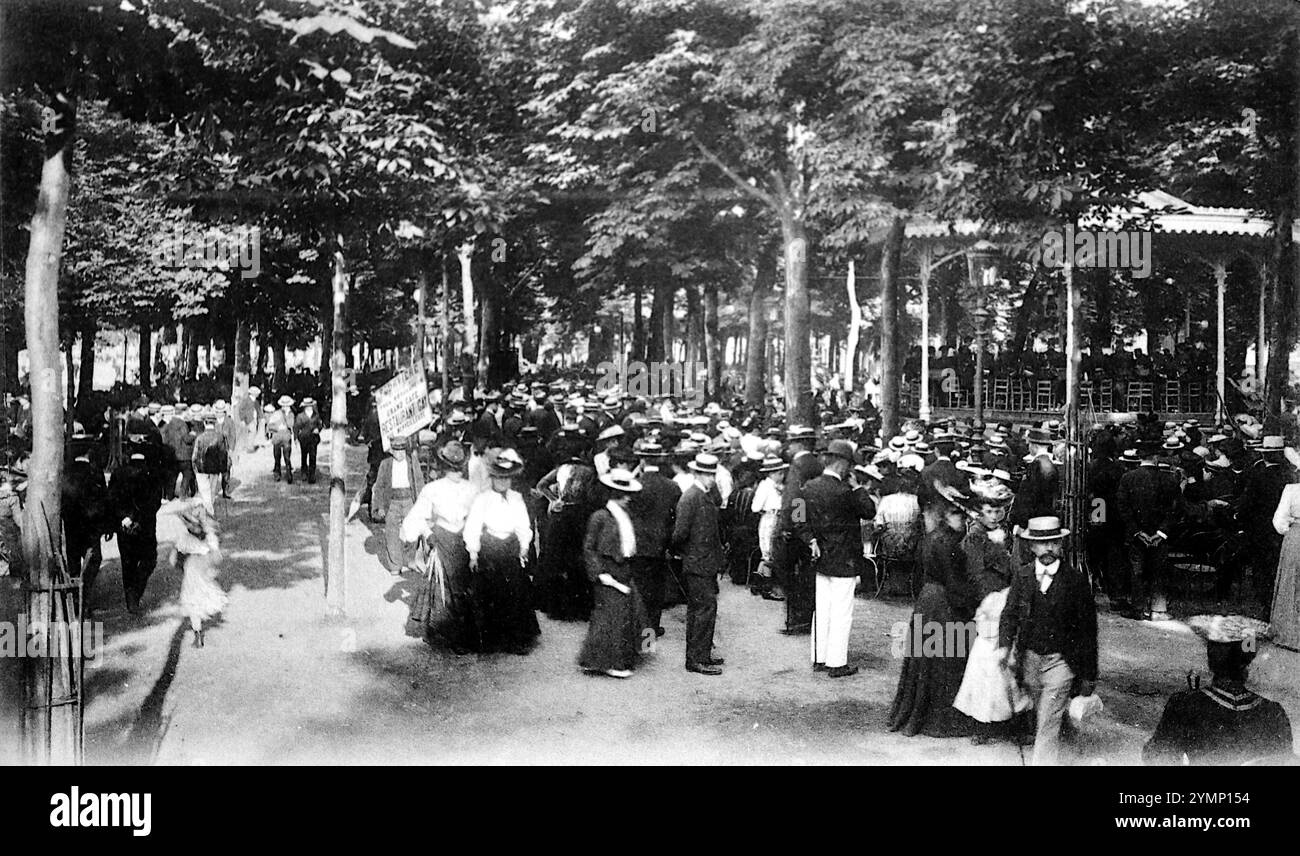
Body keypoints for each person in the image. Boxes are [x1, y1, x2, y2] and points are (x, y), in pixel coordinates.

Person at [998, 516, 1098, 766]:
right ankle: (1067, 745)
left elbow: (1088, 630)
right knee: (1038, 711)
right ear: (1031, 547)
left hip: (1061, 661)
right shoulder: (1023, 576)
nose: (1048, 549)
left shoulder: (1075, 581)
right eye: (1042, 544)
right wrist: (1004, 648)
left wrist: (1088, 675)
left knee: (1047, 721)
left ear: (1061, 545)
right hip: (1030, 658)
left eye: (1054, 542)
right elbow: (1009, 614)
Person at [888, 483, 980, 738]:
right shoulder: (948, 542)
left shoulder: (932, 537)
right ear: (947, 514)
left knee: (925, 662)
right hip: (943, 604)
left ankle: (919, 712)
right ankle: (940, 719)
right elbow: (954, 582)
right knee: (945, 662)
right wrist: (973, 606)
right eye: (959, 514)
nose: (963, 520)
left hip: (927, 602)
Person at [1143, 614, 1293, 765]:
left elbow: (1158, 759)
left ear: (1211, 660)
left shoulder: (1184, 704)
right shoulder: (1273, 712)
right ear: (1248, 660)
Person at [953, 480, 1031, 742]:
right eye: (989, 511)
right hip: (989, 606)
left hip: (1010, 603)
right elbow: (976, 576)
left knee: (1012, 662)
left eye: (999, 511)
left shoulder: (1008, 535)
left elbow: (1019, 568)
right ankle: (983, 724)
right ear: (979, 512)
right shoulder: (974, 538)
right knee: (987, 664)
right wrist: (995, 600)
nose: (995, 516)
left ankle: (1013, 721)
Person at [796, 439, 875, 678]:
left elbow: (797, 517)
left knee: (822, 609)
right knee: (842, 612)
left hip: (820, 556)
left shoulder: (808, 487)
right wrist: (858, 488)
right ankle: (837, 663)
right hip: (845, 559)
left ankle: (819, 658)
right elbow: (869, 511)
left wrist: (810, 540)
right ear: (842, 464)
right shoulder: (846, 492)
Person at [401, 441, 479, 653]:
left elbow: (477, 519)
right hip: (443, 540)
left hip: (462, 540)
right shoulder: (433, 489)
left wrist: (474, 546)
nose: (454, 472)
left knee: (461, 585)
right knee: (443, 583)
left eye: (457, 468)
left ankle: (461, 634)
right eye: (452, 469)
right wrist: (429, 534)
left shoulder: (470, 490)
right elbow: (417, 517)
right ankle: (443, 631)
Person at [463, 449, 539, 654]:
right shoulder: (483, 498)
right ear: (493, 478)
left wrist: (524, 546)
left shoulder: (516, 498)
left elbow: (523, 523)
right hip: (491, 547)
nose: (503, 483)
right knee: (490, 592)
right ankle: (491, 639)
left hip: (510, 547)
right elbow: (473, 526)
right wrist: (473, 553)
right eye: (499, 478)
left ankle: (516, 639)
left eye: (507, 479)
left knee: (515, 592)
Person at [579, 467, 650, 678]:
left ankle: (604, 658)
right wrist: (600, 573)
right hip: (608, 571)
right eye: (623, 494)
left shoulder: (624, 516)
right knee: (611, 616)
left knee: (629, 613)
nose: (628, 498)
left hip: (624, 568)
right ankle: (610, 662)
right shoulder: (600, 517)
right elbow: (589, 548)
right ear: (614, 494)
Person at [1116, 440, 1183, 620]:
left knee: (1136, 571)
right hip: (1160, 536)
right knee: (1158, 570)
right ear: (1155, 458)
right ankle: (1158, 609)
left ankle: (1138, 608)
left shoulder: (1128, 478)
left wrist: (1137, 531)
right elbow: (1177, 509)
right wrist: (1161, 532)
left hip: (1137, 535)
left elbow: (1122, 507)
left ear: (1140, 458)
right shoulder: (1169, 479)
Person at [672, 453, 726, 675]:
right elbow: (679, 534)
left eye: (712, 474)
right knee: (703, 609)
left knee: (702, 609)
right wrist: (688, 554)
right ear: (696, 473)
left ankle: (700, 654)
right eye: (706, 474)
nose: (711, 479)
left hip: (703, 562)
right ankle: (696, 658)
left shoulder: (703, 495)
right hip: (697, 563)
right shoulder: (691, 497)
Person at [628, 443, 680, 638]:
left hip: (638, 547)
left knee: (640, 590)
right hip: (660, 547)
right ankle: (651, 630)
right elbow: (677, 518)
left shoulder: (635, 485)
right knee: (656, 592)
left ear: (642, 460)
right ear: (660, 460)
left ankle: (641, 635)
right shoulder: (672, 486)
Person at [161, 500, 226, 648]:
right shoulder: (208, 537)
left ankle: (197, 633)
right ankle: (198, 631)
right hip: (202, 567)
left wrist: (181, 565)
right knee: (201, 596)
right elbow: (217, 556)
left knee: (192, 599)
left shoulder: (186, 538)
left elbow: (173, 558)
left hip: (192, 568)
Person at [109, 448, 161, 615]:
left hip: (123, 526)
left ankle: (131, 599)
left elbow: (112, 498)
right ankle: (136, 593)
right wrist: (139, 518)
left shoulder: (118, 473)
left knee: (127, 562)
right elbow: (155, 501)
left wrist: (123, 518)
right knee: (149, 559)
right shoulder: (151, 473)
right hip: (146, 525)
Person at [372, 434, 425, 576]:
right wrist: (380, 506)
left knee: (412, 531)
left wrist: (421, 503)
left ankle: (409, 559)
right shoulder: (386, 464)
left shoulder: (412, 462)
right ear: (392, 451)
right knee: (392, 533)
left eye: (402, 450)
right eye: (396, 451)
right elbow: (379, 487)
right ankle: (395, 564)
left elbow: (419, 482)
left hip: (409, 499)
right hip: (392, 501)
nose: (400, 454)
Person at [750, 454, 787, 599]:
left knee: (769, 552)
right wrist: (768, 510)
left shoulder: (778, 486)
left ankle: (757, 583)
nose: (782, 476)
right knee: (769, 553)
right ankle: (767, 589)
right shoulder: (765, 486)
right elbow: (755, 507)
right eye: (779, 473)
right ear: (772, 473)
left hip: (777, 518)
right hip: (770, 518)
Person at [1270, 476, 1300, 651]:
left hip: (1296, 537)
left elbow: (1279, 522)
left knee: (1292, 582)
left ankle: (1290, 634)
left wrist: (1290, 531)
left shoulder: (1292, 490)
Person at [192, 412, 227, 516]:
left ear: (204, 422)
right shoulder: (220, 437)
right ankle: (209, 512)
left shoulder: (200, 437)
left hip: (201, 469)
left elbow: (195, 456)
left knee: (205, 492)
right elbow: (223, 454)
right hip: (215, 469)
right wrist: (224, 469)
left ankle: (209, 514)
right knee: (212, 491)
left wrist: (194, 467)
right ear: (215, 423)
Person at [267, 395, 295, 483]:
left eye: (287, 405)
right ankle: (277, 473)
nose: (285, 407)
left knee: (287, 456)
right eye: (284, 405)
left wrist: (286, 416)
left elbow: (291, 424)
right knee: (277, 456)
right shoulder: (276, 414)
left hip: (286, 437)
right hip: (277, 438)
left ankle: (289, 474)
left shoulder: (291, 414)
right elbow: (269, 426)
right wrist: (277, 427)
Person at [295, 397, 322, 484]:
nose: (309, 407)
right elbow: (296, 427)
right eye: (307, 406)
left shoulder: (316, 415)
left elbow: (320, 425)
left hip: (313, 438)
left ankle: (312, 475)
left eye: (310, 406)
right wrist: (296, 438)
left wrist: (318, 429)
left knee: (313, 456)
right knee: (304, 456)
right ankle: (304, 472)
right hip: (304, 438)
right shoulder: (300, 416)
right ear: (304, 407)